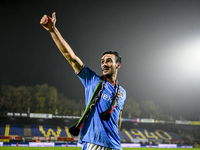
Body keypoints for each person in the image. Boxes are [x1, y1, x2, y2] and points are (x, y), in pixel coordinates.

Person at [40, 12, 126, 150]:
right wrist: (53, 30)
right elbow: (71, 57)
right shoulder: (92, 80)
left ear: (118, 65)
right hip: (95, 144)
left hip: (115, 146)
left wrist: (116, 136)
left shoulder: (122, 92)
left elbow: (118, 116)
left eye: (109, 61)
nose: (104, 64)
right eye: (102, 61)